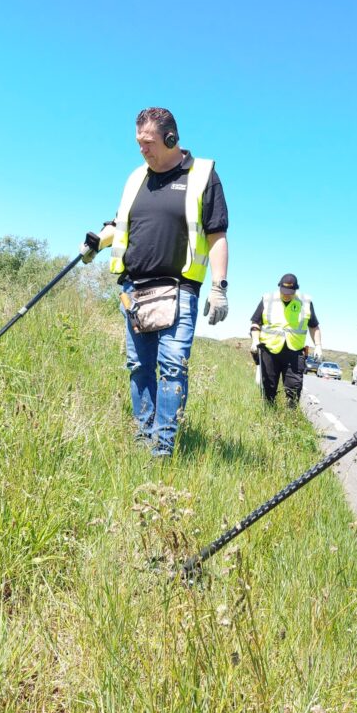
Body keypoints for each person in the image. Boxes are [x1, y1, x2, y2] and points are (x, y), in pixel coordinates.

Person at [80, 108, 229, 458]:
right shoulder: (136, 178)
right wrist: (94, 242)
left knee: (173, 367)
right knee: (139, 366)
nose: (142, 150)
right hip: (134, 289)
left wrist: (219, 287)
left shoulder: (202, 174)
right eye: (138, 143)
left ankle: (162, 447)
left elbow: (217, 234)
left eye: (148, 143)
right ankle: (142, 437)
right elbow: (118, 223)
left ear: (171, 139)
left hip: (179, 290)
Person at [250, 273, 322, 406]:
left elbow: (314, 326)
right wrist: (255, 340)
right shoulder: (267, 299)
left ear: (296, 289)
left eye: (290, 292)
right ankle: (268, 415)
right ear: (279, 287)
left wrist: (318, 345)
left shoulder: (305, 302)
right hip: (269, 350)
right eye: (284, 292)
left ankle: (290, 417)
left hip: (294, 352)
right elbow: (255, 323)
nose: (287, 294)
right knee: (268, 387)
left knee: (294, 388)